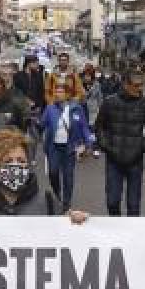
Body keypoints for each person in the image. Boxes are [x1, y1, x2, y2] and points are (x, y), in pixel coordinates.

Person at [94, 71, 145, 217]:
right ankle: (117, 231)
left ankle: (131, 237)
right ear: (125, 85)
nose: (140, 88)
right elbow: (99, 127)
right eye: (137, 85)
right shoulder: (109, 102)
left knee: (134, 206)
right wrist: (106, 147)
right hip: (113, 160)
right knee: (112, 201)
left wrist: (141, 148)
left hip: (135, 160)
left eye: (142, 85)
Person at [40, 80, 94, 212]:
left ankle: (66, 202)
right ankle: (57, 193)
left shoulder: (76, 108)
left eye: (60, 92)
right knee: (53, 172)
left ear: (67, 94)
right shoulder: (50, 108)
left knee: (68, 176)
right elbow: (42, 124)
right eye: (56, 92)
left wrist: (89, 143)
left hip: (69, 148)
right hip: (54, 147)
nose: (57, 94)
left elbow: (84, 127)